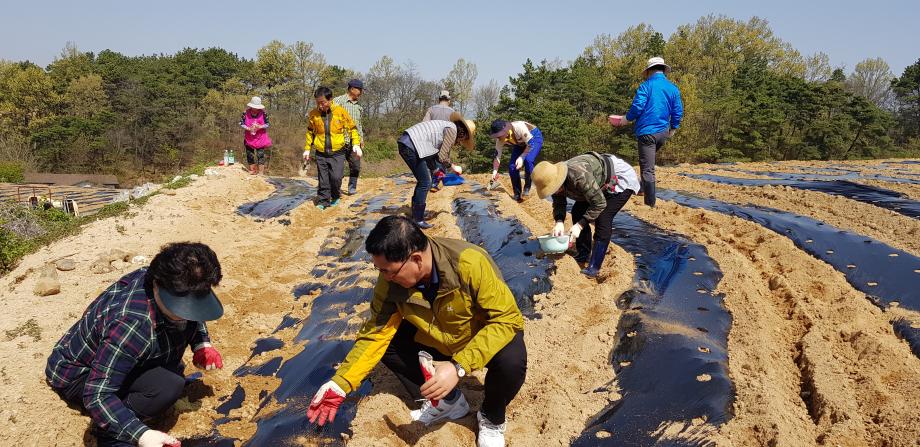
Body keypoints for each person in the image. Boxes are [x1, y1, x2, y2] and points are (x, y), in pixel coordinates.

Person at [306, 215, 527, 447]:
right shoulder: (391, 281)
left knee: (511, 358)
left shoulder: (468, 263)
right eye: (379, 270)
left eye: (389, 271)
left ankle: (491, 418)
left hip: (476, 340)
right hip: (437, 339)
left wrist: (459, 366)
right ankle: (447, 402)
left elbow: (507, 319)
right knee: (388, 343)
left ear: (416, 259)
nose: (385, 277)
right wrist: (341, 383)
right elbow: (375, 332)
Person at [45, 242, 225, 447]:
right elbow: (97, 394)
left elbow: (192, 309)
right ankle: (111, 432)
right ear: (157, 284)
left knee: (171, 369)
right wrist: (142, 434)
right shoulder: (132, 324)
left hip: (116, 354)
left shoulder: (167, 279)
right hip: (78, 374)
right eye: (181, 305)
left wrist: (202, 344)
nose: (187, 312)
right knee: (167, 386)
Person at [532, 152, 639, 278]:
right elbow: (559, 202)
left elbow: (599, 204)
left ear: (559, 180)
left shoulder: (579, 176)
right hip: (596, 184)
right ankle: (583, 253)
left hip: (618, 178)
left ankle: (594, 266)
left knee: (603, 218)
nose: (554, 191)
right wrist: (559, 221)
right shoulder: (554, 180)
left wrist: (580, 225)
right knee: (577, 211)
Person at [618, 56, 683, 208]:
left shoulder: (646, 86)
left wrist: (626, 119)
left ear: (649, 71)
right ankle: (641, 189)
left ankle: (650, 204)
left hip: (647, 132)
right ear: (663, 70)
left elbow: (638, 106)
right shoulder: (673, 88)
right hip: (663, 132)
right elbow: (678, 110)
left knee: (647, 168)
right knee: (648, 162)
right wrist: (673, 128)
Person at [396, 112, 476, 229]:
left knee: (424, 181)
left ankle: (416, 213)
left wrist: (435, 170)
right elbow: (442, 156)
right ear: (463, 133)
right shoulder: (452, 131)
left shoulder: (447, 127)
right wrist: (453, 167)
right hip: (410, 146)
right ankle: (417, 219)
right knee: (425, 182)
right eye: (464, 139)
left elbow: (430, 153)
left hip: (408, 143)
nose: (460, 142)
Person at [303, 86, 361, 209]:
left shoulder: (340, 112)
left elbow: (352, 128)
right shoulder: (313, 114)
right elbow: (310, 132)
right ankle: (323, 201)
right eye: (317, 103)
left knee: (336, 178)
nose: (320, 106)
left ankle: (335, 196)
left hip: (338, 153)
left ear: (330, 100)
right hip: (321, 153)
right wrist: (307, 148)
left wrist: (356, 143)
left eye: (322, 102)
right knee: (323, 179)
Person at [489, 120, 543, 202]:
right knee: (512, 167)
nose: (498, 138)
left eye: (500, 135)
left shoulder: (519, 127)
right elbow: (497, 156)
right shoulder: (500, 140)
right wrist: (495, 171)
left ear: (505, 130)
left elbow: (531, 144)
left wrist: (522, 157)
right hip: (520, 144)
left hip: (534, 138)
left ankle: (527, 186)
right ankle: (517, 194)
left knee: (528, 160)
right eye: (497, 136)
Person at [332, 79, 365, 195]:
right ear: (352, 89)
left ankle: (352, 188)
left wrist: (361, 139)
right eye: (359, 90)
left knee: (355, 166)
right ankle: (336, 189)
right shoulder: (338, 101)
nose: (361, 92)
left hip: (354, 142)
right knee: (338, 168)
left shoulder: (359, 106)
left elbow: (359, 124)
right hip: (340, 140)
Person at [422, 90, 455, 191]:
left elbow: (424, 124)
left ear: (439, 99)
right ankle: (437, 183)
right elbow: (454, 129)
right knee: (443, 158)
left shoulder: (431, 110)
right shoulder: (452, 112)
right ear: (449, 100)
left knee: (432, 160)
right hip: (446, 139)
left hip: (432, 139)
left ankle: (434, 181)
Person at [240, 96, 272, 175]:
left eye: (257, 107)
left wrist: (260, 126)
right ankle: (253, 171)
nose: (255, 109)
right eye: (254, 107)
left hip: (260, 137)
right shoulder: (245, 113)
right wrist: (248, 128)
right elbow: (241, 123)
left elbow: (267, 124)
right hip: (249, 137)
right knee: (249, 154)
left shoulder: (263, 113)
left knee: (260, 154)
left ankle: (261, 172)